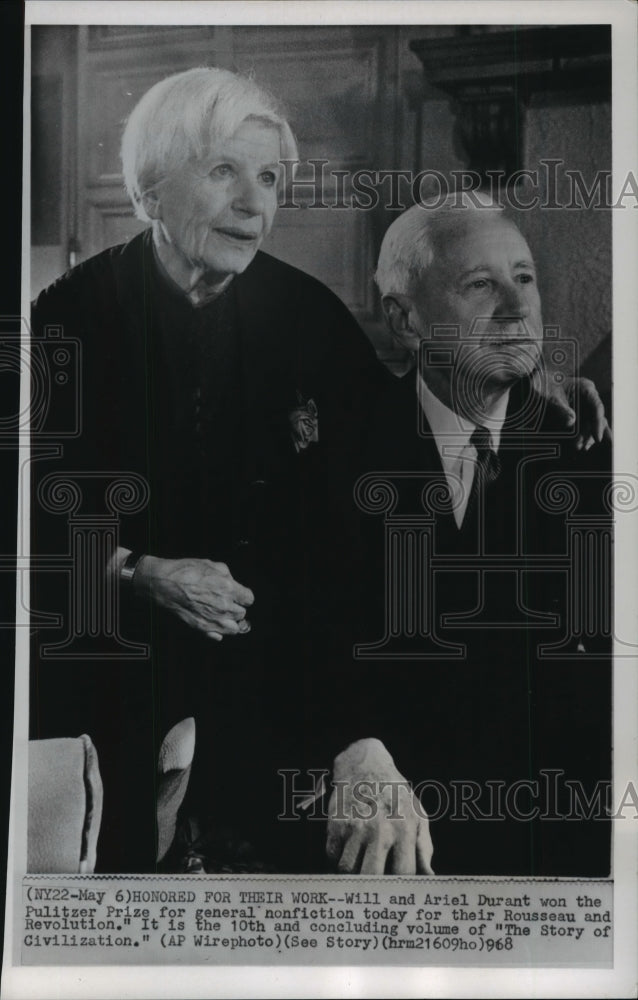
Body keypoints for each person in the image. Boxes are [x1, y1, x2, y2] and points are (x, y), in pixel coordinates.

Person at [30, 69, 608, 875]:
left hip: (256, 664)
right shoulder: (62, 320)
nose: (253, 204)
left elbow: (402, 410)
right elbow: (24, 526)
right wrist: (138, 571)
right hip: (107, 659)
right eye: (224, 171)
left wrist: (528, 379)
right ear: (152, 188)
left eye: (269, 179)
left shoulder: (300, 311)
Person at [326, 195, 611, 878]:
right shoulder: (334, 458)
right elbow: (295, 654)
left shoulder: (591, 456)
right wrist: (348, 745)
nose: (517, 308)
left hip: (562, 855)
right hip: (395, 861)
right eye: (480, 285)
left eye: (524, 278)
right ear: (406, 320)